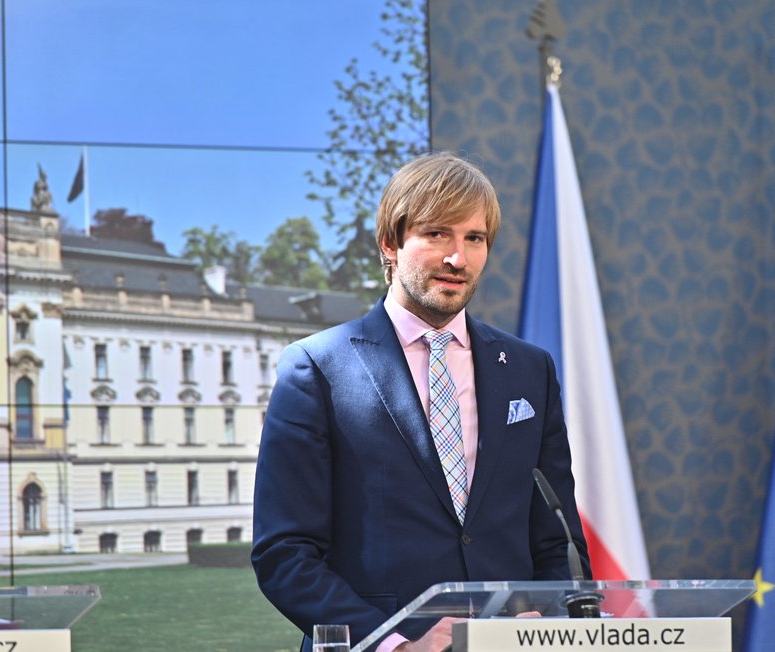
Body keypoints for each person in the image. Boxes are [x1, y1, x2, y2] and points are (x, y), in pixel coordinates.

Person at [252, 151, 590, 652]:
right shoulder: (316, 368)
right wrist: (395, 641)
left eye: (474, 238)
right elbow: (285, 553)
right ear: (390, 242)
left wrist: (548, 626)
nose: (458, 258)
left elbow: (555, 540)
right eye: (437, 234)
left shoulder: (529, 369)